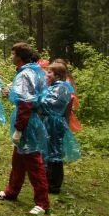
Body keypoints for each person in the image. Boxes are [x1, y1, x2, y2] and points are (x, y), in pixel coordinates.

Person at [0, 42, 49, 215]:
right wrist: (11, 93)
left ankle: (42, 203)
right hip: (28, 120)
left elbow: (26, 103)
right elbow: (25, 96)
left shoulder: (26, 74)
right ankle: (11, 192)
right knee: (18, 161)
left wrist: (19, 128)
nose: (11, 57)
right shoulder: (31, 71)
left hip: (27, 122)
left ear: (19, 56)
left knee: (34, 162)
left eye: (13, 53)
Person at [39, 62, 81, 194]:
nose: (47, 75)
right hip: (48, 121)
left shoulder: (62, 88)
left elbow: (50, 104)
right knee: (47, 150)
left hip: (54, 123)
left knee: (54, 152)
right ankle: (47, 180)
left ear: (57, 75)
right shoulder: (53, 86)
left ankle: (54, 185)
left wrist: (33, 101)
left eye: (49, 72)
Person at [53, 58, 82, 132]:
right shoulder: (53, 77)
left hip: (66, 103)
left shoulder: (68, 78)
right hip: (56, 104)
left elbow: (72, 92)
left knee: (65, 123)